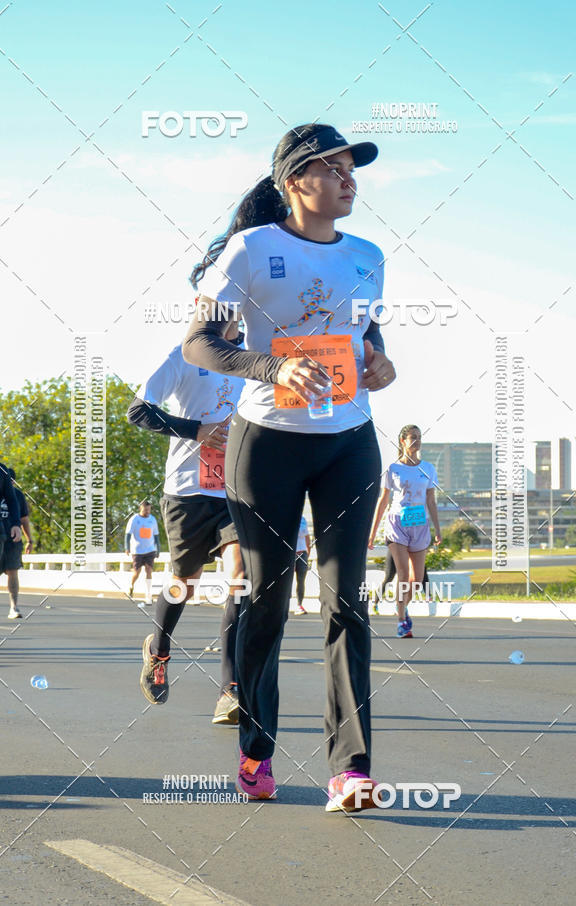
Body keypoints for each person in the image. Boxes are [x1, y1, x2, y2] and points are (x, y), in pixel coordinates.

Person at [183, 123, 396, 811]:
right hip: (267, 438)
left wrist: (380, 361)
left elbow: (366, 331)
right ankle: (255, 749)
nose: (349, 178)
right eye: (332, 168)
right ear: (294, 182)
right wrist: (273, 365)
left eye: (352, 169)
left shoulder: (368, 254)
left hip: (349, 439)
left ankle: (352, 769)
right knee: (268, 599)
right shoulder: (250, 251)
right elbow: (201, 344)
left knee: (347, 601)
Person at [127, 339, 245, 724]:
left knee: (240, 575)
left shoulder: (255, 354)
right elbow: (139, 411)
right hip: (186, 492)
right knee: (184, 583)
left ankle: (230, 690)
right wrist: (196, 430)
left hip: (234, 490)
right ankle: (158, 650)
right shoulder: (183, 354)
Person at [369, 425, 441, 638]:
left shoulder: (428, 468)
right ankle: (401, 621)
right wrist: (372, 533)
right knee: (401, 574)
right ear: (402, 441)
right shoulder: (392, 469)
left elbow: (431, 500)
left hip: (419, 524)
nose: (416, 441)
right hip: (397, 523)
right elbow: (383, 501)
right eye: (412, 437)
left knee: (416, 580)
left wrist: (438, 529)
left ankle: (402, 605)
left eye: (419, 437)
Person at [0, 467, 28, 619]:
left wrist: (17, 526)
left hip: (9, 536)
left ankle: (14, 607)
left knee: (12, 570)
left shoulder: (16, 494)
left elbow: (23, 517)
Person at [125, 501, 160, 607]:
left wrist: (158, 549)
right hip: (137, 550)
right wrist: (127, 547)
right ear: (141, 509)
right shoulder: (135, 519)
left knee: (149, 571)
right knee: (137, 572)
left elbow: (156, 535)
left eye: (149, 509)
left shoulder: (152, 519)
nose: (147, 512)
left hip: (150, 550)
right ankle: (131, 586)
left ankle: (148, 594)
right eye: (145, 509)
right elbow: (128, 534)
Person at [293, 515, 311, 614]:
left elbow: (307, 536)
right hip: (291, 553)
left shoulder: (303, 519)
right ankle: (284, 604)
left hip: (302, 552)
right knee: (287, 580)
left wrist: (308, 550)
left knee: (301, 580)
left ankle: (299, 604)